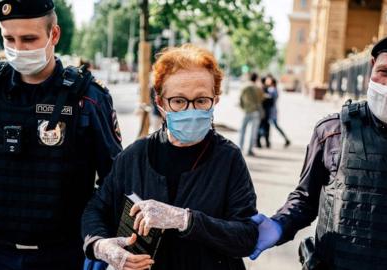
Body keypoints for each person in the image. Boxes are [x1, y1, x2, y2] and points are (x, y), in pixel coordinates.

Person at [250, 28, 387, 270]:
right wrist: (279, 224)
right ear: (371, 67)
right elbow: (305, 200)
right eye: (384, 72)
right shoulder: (333, 131)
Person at [0, 1, 123, 269]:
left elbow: (115, 181)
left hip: (63, 255)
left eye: (29, 38)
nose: (18, 49)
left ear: (54, 35)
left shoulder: (87, 98)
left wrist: (99, 240)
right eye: (9, 38)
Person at [81, 44, 258, 270]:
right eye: (178, 101)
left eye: (201, 101)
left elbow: (246, 236)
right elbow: (96, 209)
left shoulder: (228, 158)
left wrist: (185, 220)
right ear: (160, 103)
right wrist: (100, 245)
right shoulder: (135, 156)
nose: (190, 111)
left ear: (216, 100)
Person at [238, 72, 264, 156]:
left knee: (242, 130)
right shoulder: (257, 88)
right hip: (255, 111)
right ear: (256, 79)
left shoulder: (244, 86)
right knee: (253, 132)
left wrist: (243, 107)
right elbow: (261, 99)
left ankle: (240, 147)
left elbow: (240, 99)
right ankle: (249, 150)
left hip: (246, 111)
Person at [267, 76, 290, 147]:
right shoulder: (276, 90)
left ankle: (286, 139)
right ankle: (286, 139)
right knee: (274, 126)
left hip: (271, 110)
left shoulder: (272, 90)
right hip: (274, 110)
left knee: (273, 126)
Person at [256, 76, 274, 149]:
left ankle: (260, 142)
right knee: (264, 127)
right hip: (264, 112)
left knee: (262, 127)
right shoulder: (264, 89)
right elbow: (271, 102)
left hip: (262, 112)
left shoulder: (261, 89)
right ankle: (263, 142)